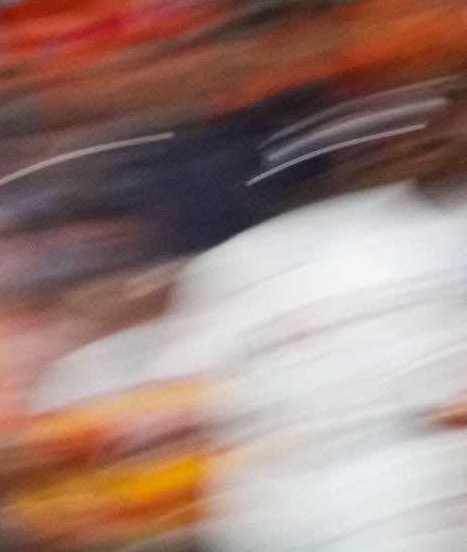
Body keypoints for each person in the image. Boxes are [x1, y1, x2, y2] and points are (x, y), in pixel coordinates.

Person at [153, 81, 467, 552]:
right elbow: (180, 410)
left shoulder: (233, 264)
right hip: (289, 503)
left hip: (407, 499)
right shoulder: (239, 265)